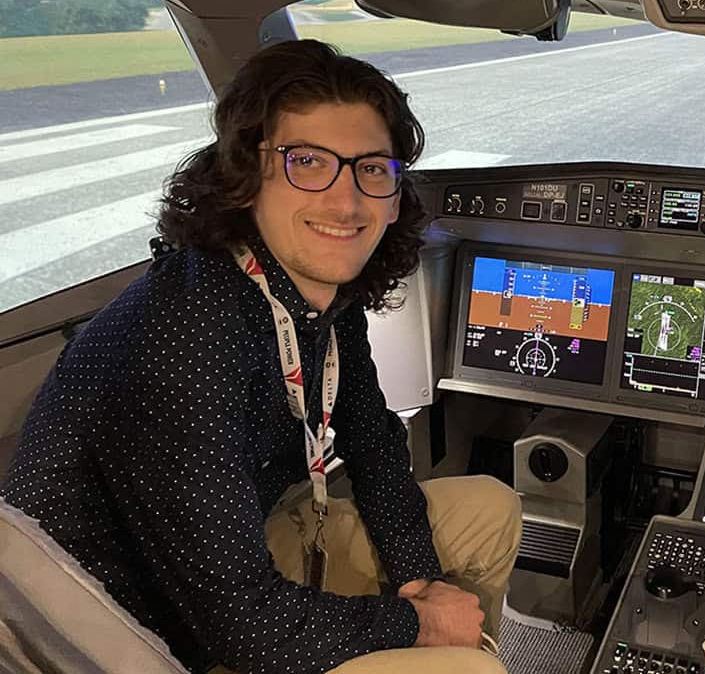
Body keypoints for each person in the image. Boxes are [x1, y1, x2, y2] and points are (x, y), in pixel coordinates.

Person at [0, 39, 520, 674]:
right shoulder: (187, 331)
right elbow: (245, 630)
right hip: (139, 631)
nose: (346, 201)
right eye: (308, 162)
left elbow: (373, 441)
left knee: (492, 510)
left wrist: (422, 590)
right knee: (472, 668)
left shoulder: (319, 290)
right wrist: (416, 624)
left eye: (372, 168)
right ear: (244, 174)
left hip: (239, 548)